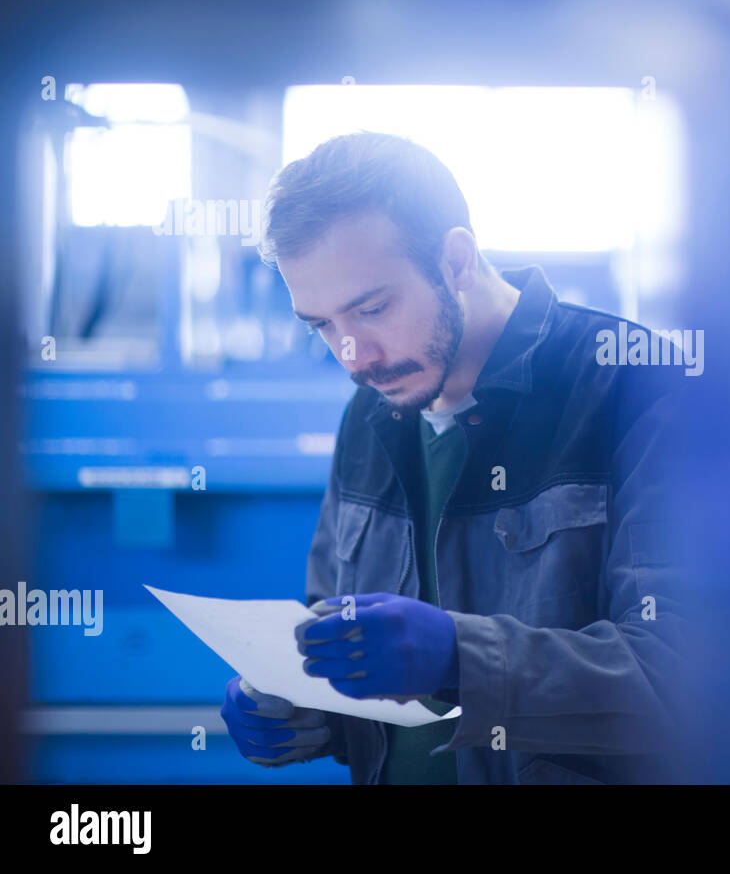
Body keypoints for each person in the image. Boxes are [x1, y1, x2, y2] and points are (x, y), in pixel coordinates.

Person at [218, 132, 686, 784]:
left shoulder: (633, 389)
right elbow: (343, 652)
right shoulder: (371, 415)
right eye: (321, 325)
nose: (353, 355)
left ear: (457, 260)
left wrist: (461, 658)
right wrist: (305, 711)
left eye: (373, 308)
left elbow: (685, 684)